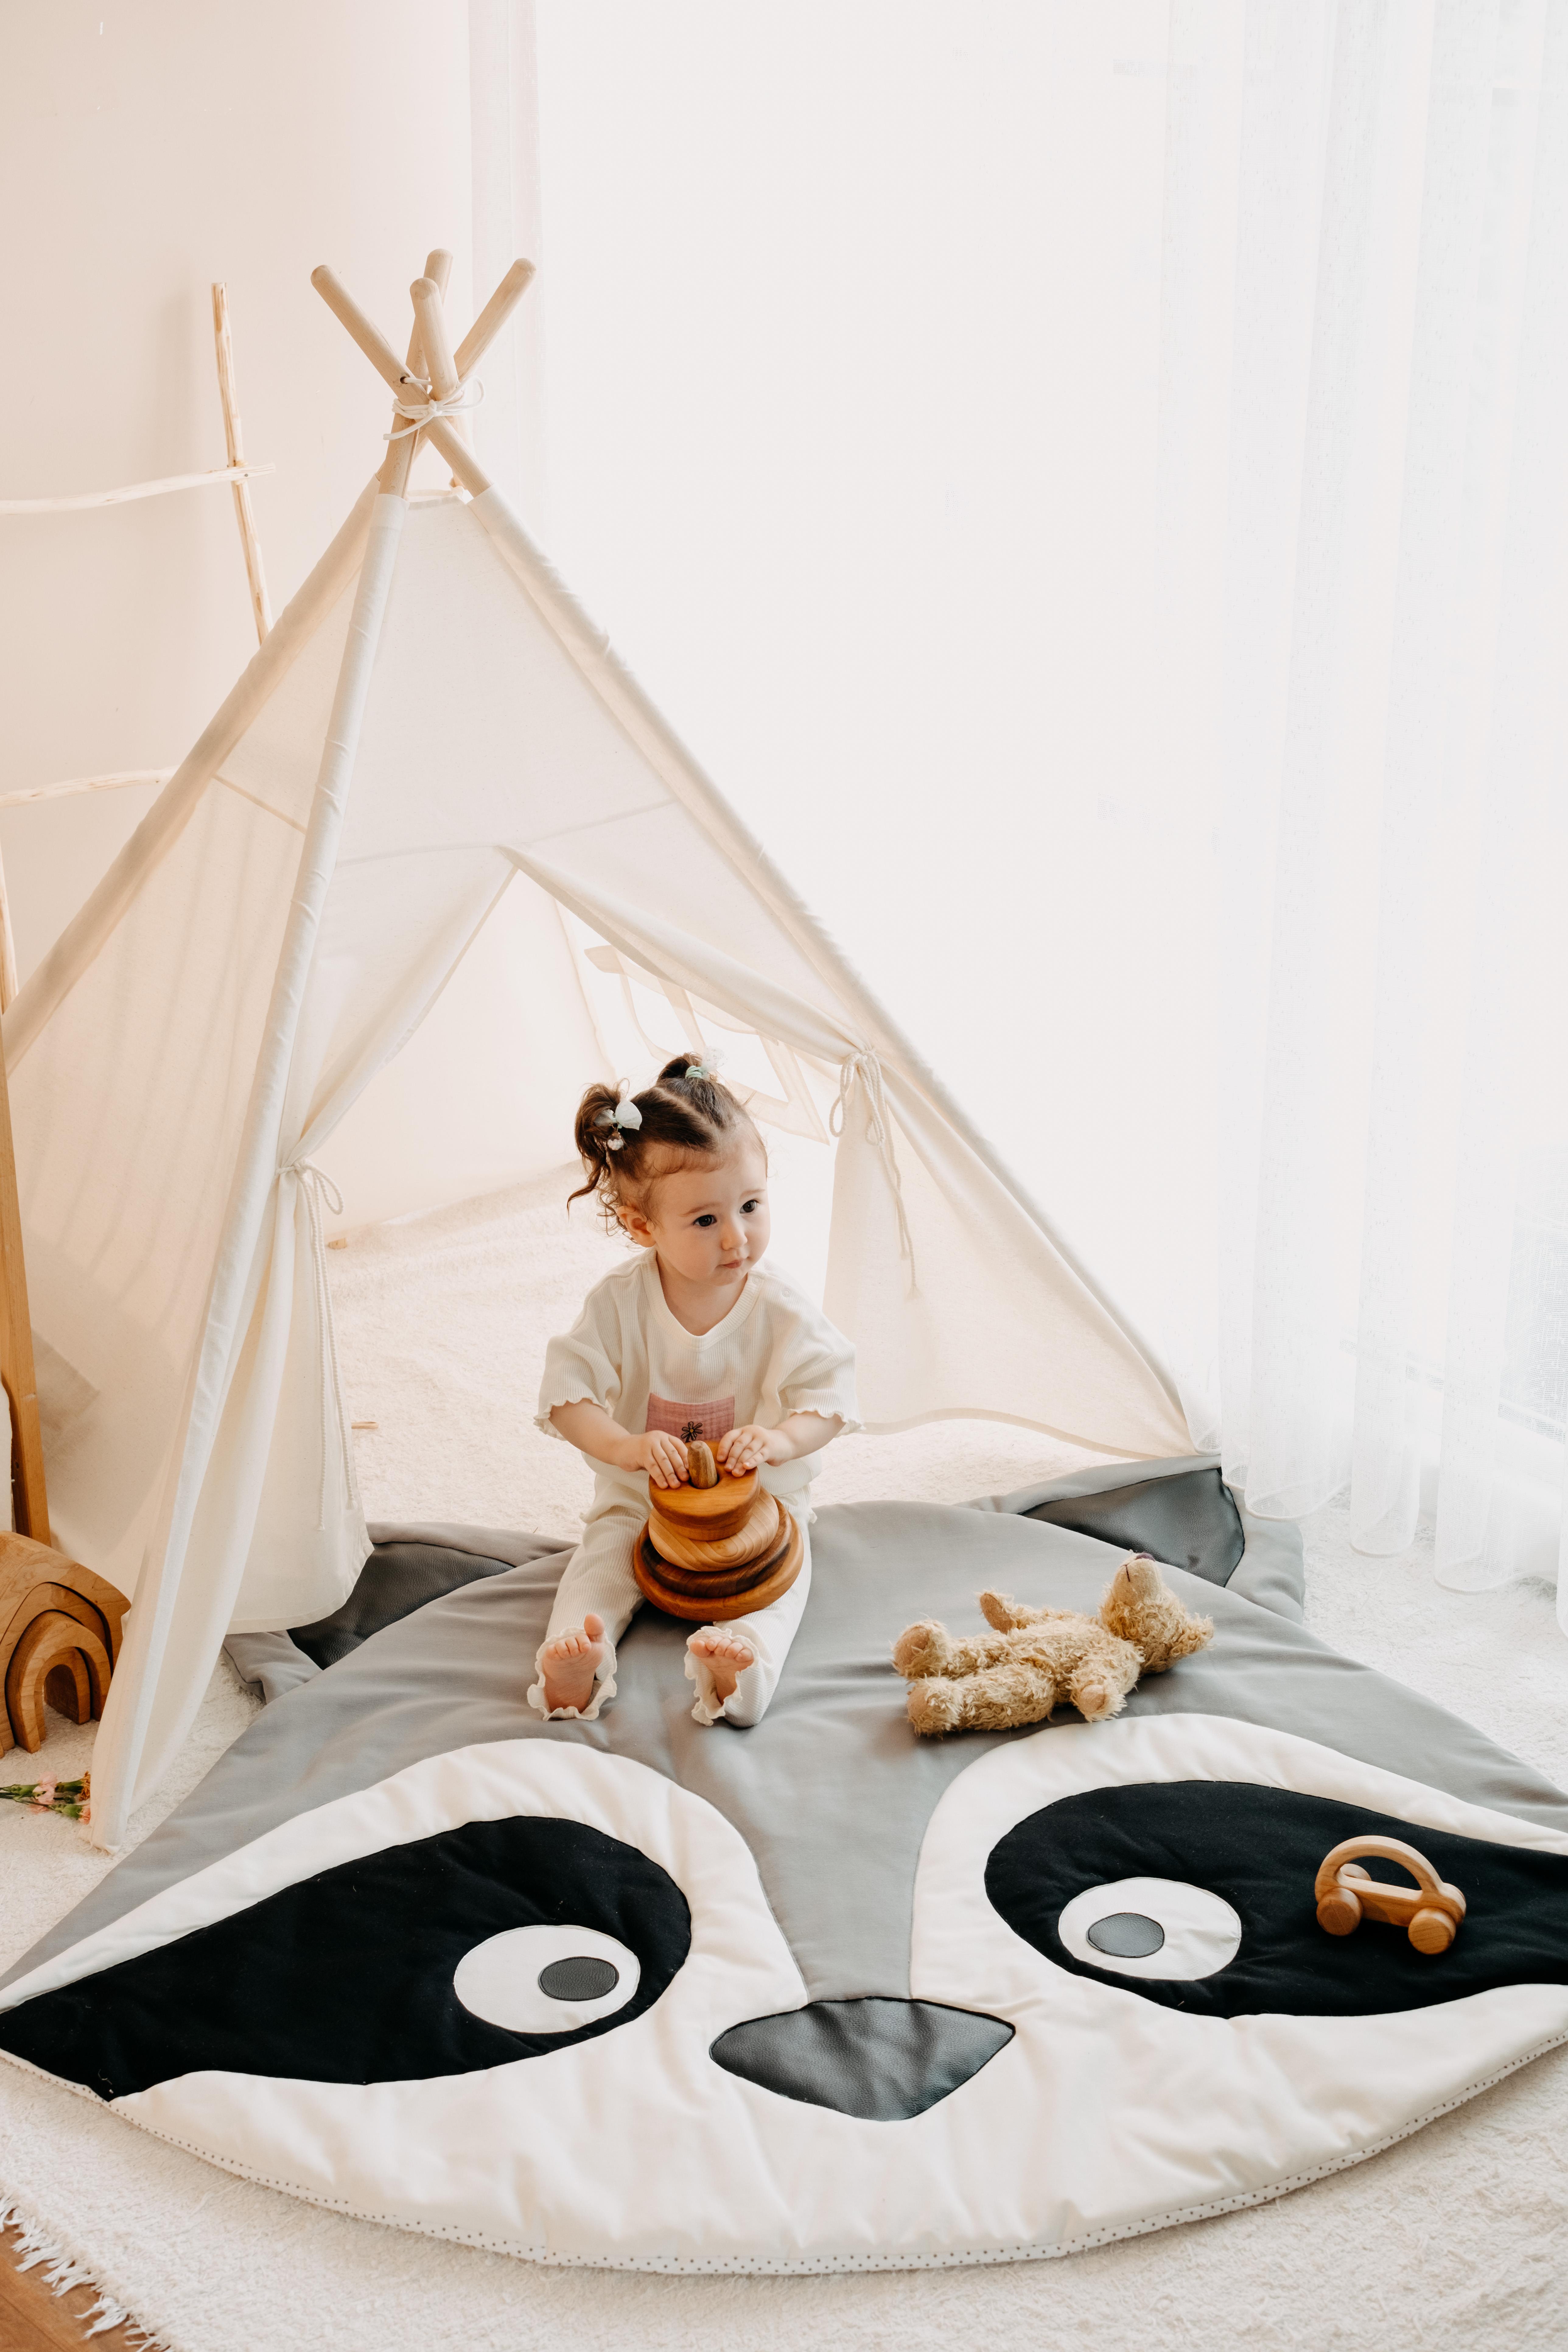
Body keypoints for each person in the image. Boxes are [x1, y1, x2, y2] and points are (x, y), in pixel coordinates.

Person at [532, 1056, 857, 1726]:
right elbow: (567, 1396)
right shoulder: (620, 1304)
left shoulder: (781, 1309)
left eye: (750, 1206)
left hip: (756, 1511)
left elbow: (827, 1397)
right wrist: (624, 1448)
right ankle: (575, 1667)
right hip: (643, 1507)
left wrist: (778, 1440)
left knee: (779, 1592)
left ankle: (736, 1673)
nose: (737, 1236)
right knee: (599, 1566)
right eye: (705, 1221)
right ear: (642, 1227)